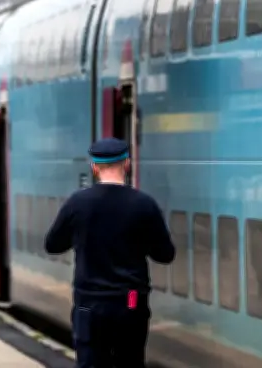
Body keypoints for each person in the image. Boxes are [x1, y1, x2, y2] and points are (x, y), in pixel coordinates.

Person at [44, 137, 176, 368]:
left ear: (94, 167)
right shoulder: (144, 204)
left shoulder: (77, 203)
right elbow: (165, 255)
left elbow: (52, 245)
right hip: (130, 301)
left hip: (89, 303)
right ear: (127, 164)